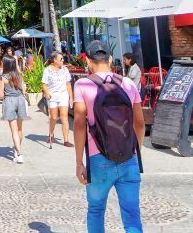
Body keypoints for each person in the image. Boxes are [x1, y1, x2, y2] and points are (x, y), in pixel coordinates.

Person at [73, 40, 144, 233]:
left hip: (98, 159)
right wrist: (134, 150)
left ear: (88, 61)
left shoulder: (82, 85)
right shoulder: (128, 84)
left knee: (96, 210)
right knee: (132, 216)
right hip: (129, 158)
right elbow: (140, 123)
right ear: (110, 59)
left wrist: (79, 162)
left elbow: (79, 125)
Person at [42, 51, 74, 146]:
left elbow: (68, 84)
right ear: (55, 60)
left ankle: (66, 140)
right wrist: (47, 93)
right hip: (52, 96)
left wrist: (71, 98)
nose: (63, 60)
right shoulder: (47, 70)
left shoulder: (65, 70)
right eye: (61, 59)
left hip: (63, 96)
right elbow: (44, 84)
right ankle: (51, 134)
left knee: (64, 117)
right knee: (54, 117)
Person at [1, 56, 27, 163]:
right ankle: (17, 149)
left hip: (10, 101)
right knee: (20, 129)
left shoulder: (3, 77)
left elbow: (2, 94)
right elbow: (24, 91)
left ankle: (19, 154)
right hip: (20, 100)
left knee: (14, 130)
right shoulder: (19, 75)